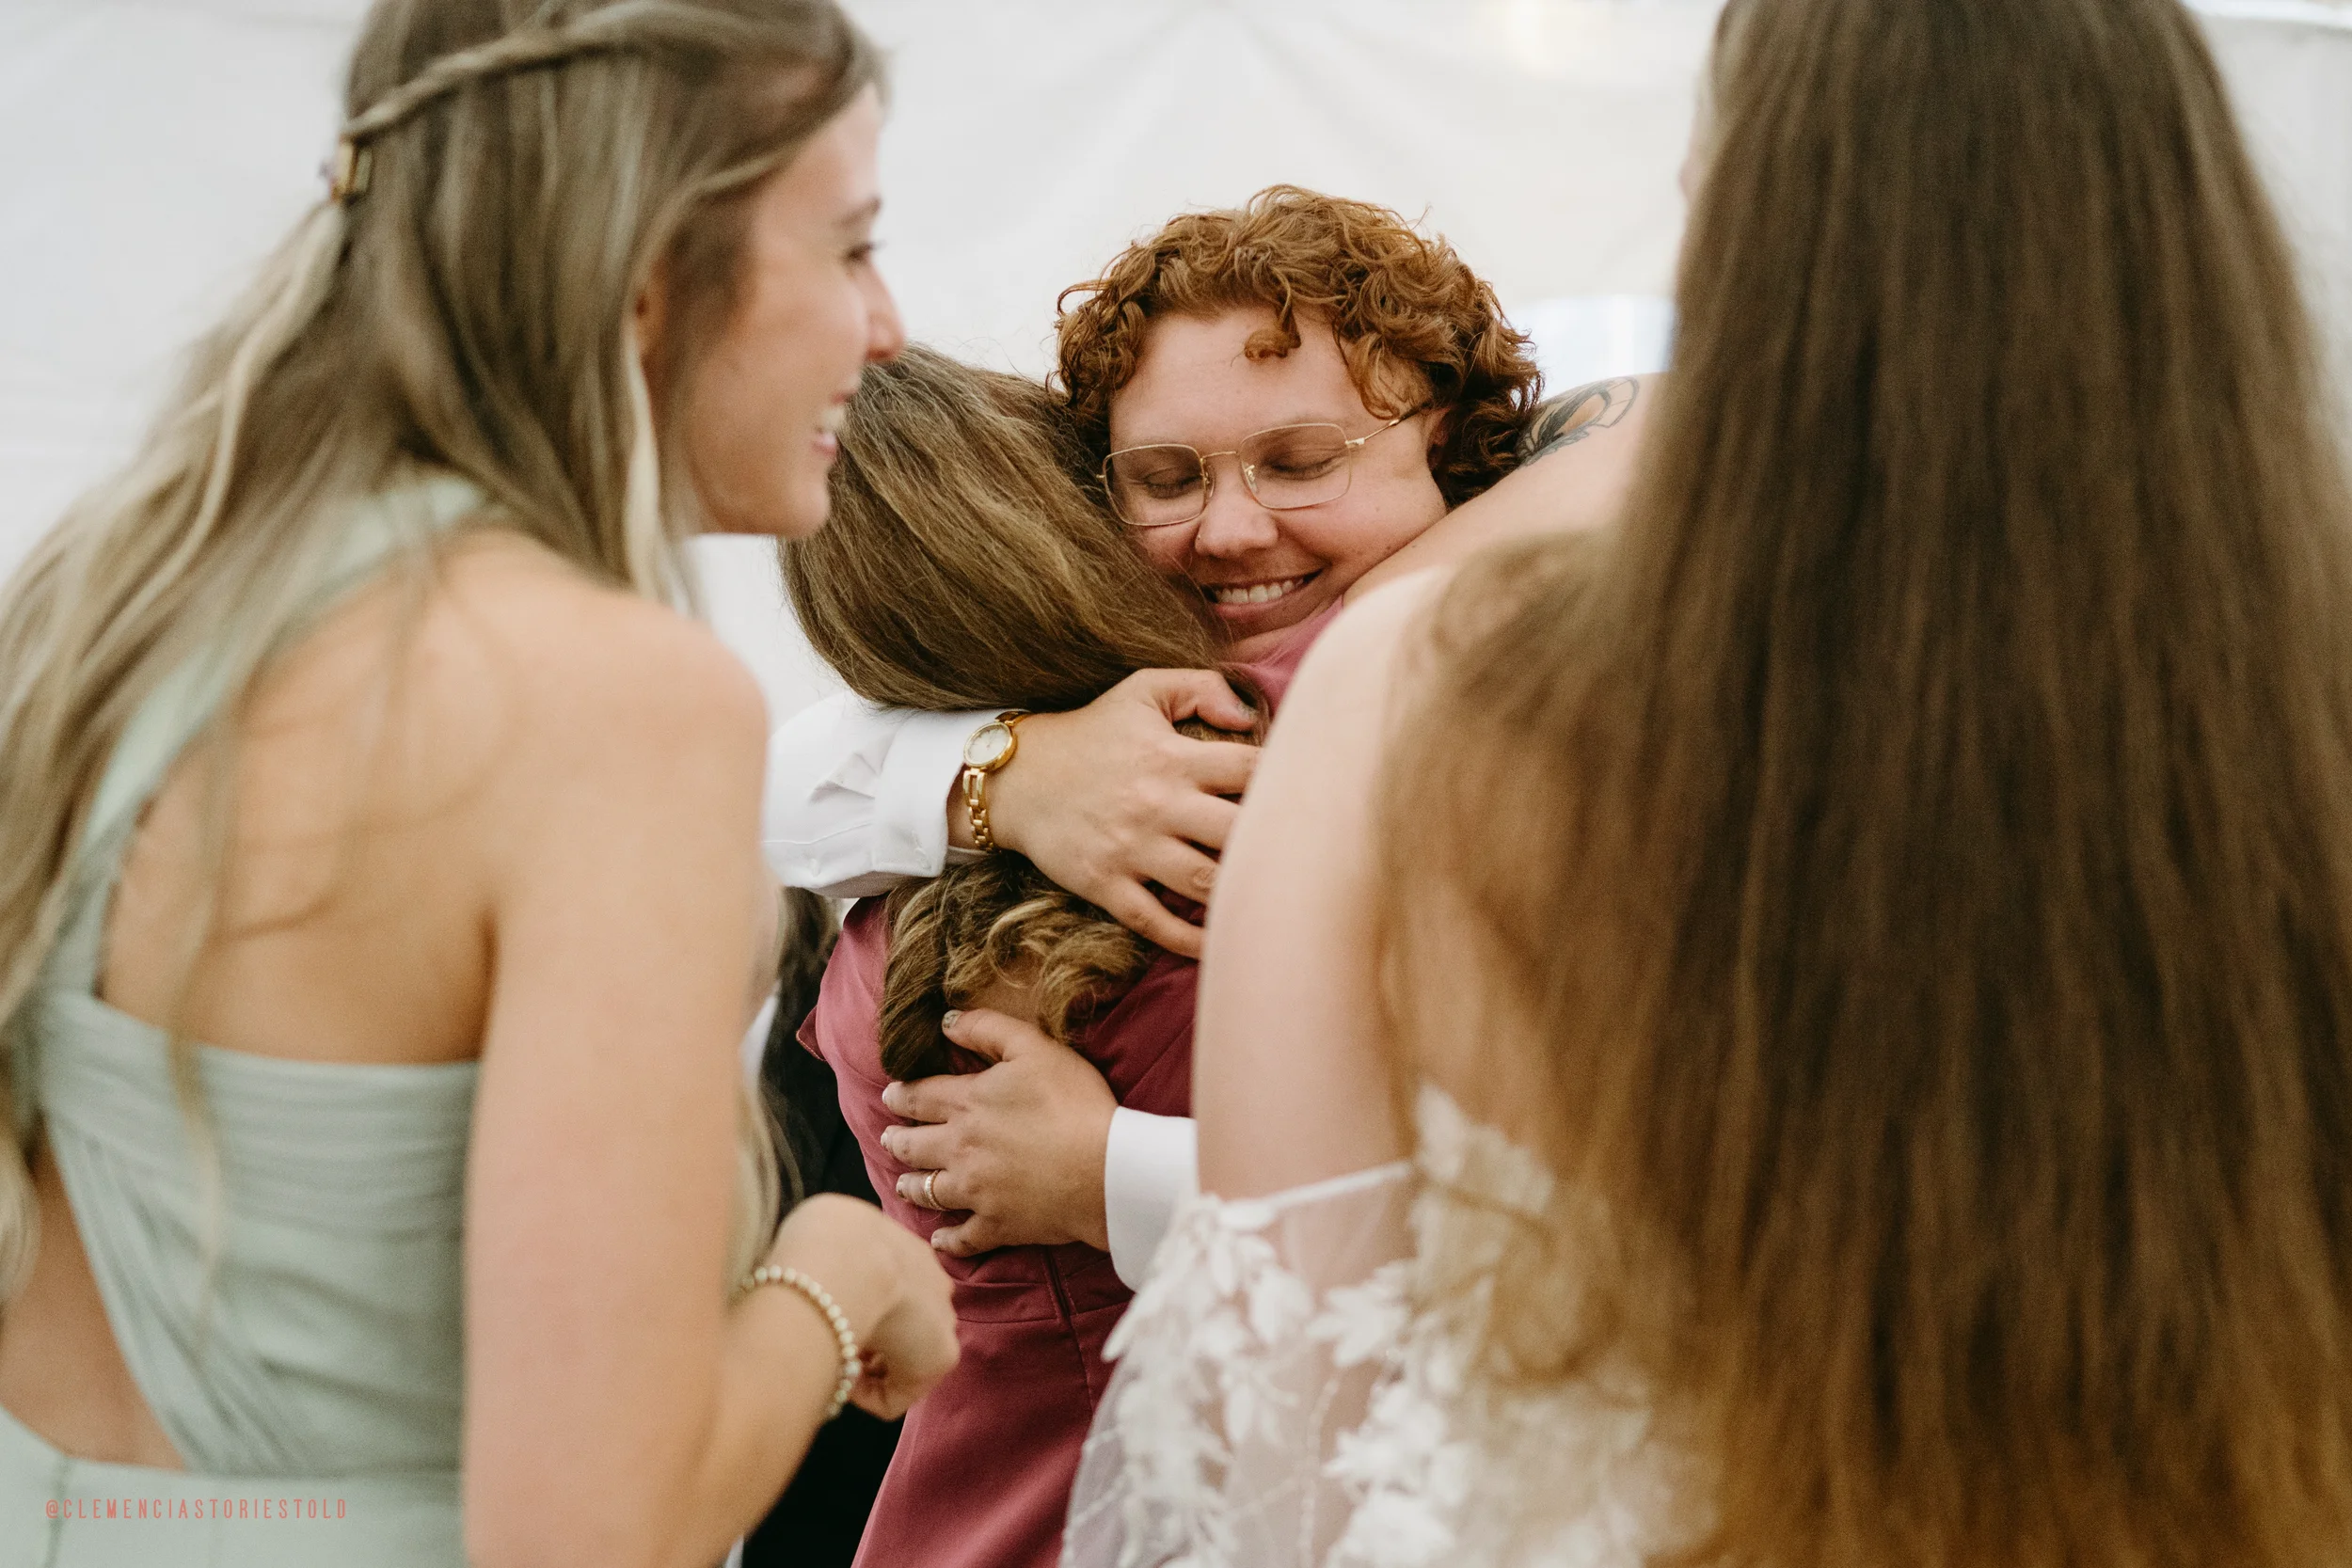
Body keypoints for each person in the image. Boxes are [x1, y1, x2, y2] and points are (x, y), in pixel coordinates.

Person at [1069, 0, 2352, 1563]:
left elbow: (1278, 1467)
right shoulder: (2299, 707)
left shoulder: (1423, 697)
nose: (1233, 526)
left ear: (1734, 227)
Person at [0, 4, 958, 1565]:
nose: (890, 323)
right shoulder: (611, 701)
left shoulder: (123, 596)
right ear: (649, 280)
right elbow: (590, 1533)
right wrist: (833, 1283)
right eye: (849, 248)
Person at [764, 187, 1650, 1285]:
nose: (1230, 532)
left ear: (1453, 448)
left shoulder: (1534, 694)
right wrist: (1010, 772)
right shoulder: (1108, 718)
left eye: (1300, 461)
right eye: (1166, 479)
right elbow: (771, 790)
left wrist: (1115, 1172)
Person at [776, 343, 1287, 1568]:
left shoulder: (866, 921)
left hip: (958, 1510)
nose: (1228, 529)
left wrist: (990, 771)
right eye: (1165, 481)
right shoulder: (1263, 753)